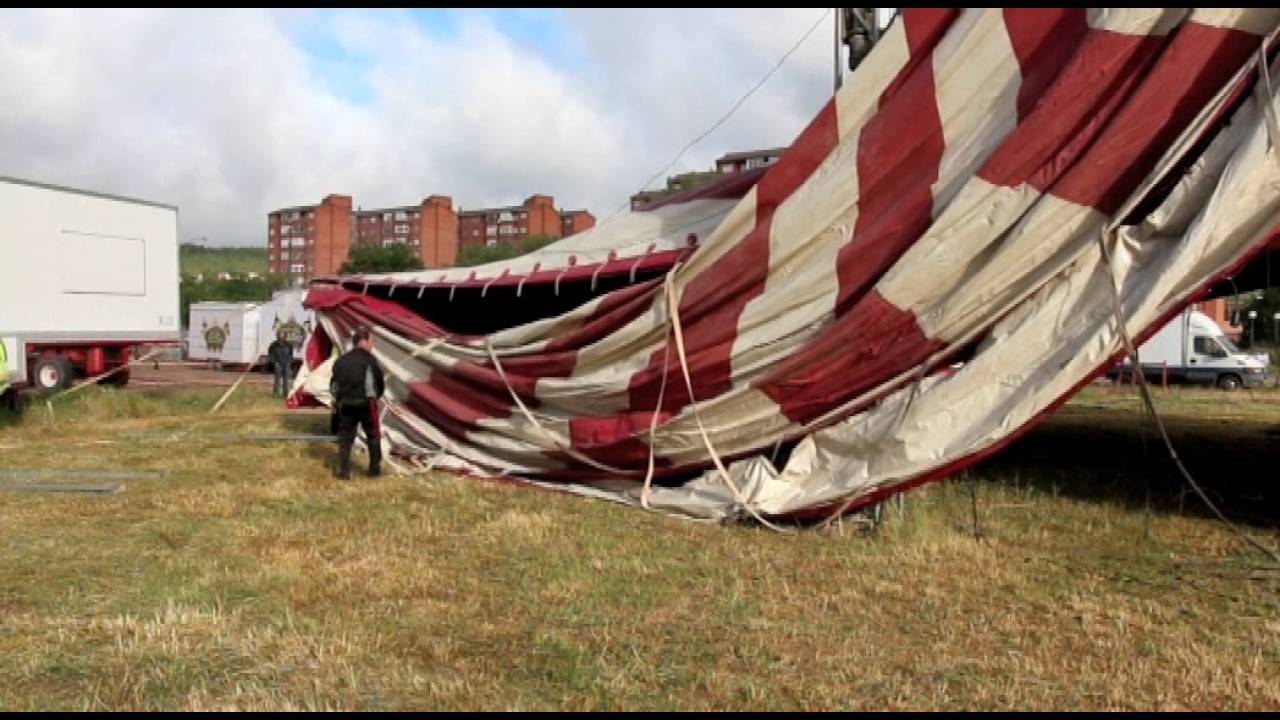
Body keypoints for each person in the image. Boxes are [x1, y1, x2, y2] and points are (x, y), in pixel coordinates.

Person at [329, 326, 385, 479]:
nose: (372, 345)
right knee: (373, 436)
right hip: (366, 403)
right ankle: (374, 470)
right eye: (371, 341)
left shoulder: (341, 361)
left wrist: (338, 400)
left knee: (345, 438)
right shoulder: (370, 360)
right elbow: (378, 383)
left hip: (346, 403)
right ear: (364, 341)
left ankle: (344, 471)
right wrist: (377, 397)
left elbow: (334, 385)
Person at [268, 330, 294, 398]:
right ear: (277, 335)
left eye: (282, 334)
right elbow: (271, 355)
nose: (281, 335)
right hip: (278, 364)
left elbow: (291, 355)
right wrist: (275, 362)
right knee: (277, 380)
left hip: (286, 364)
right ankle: (275, 394)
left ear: (285, 335)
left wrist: (289, 362)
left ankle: (285, 394)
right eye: (279, 334)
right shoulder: (273, 345)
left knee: (286, 380)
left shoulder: (288, 345)